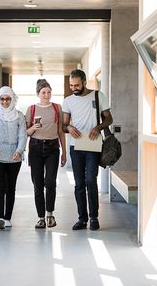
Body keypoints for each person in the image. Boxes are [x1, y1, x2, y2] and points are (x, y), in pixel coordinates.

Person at [62, 69, 113, 231]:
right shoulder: (68, 101)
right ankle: (82, 218)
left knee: (91, 180)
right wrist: (69, 127)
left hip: (93, 145)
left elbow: (109, 118)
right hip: (75, 146)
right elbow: (63, 125)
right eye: (71, 85)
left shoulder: (99, 96)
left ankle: (94, 217)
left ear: (85, 82)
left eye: (77, 85)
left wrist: (98, 127)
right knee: (79, 184)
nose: (73, 88)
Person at [26, 79, 67, 229]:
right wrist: (33, 128)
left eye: (49, 92)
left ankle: (50, 215)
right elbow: (25, 133)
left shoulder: (57, 108)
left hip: (53, 148)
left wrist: (64, 153)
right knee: (38, 184)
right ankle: (41, 218)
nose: (46, 95)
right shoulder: (31, 109)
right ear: (38, 94)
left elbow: (61, 132)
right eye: (43, 92)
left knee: (50, 182)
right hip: (35, 148)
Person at [0, 86, 27, 230]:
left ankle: (8, 217)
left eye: (7, 99)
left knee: (10, 189)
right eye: (2, 99)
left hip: (14, 158)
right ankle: (0, 218)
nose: (4, 102)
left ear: (12, 99)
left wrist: (19, 150)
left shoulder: (19, 116)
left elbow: (23, 135)